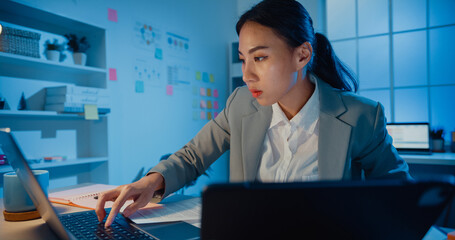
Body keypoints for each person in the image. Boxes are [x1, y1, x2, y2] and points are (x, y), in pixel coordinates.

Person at [96, 0, 411, 227]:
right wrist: (151, 182)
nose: (247, 75)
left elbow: (400, 192)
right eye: (243, 59)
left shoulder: (360, 116)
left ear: (302, 55)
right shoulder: (240, 104)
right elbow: (193, 156)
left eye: (260, 58)